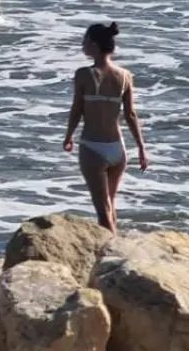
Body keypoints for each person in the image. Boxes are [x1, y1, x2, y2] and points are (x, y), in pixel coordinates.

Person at [62, 22, 148, 232]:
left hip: (93, 148)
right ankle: (115, 245)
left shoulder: (84, 74)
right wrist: (141, 148)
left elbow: (77, 109)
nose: (82, 45)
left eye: (84, 41)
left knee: (103, 212)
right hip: (118, 149)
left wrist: (68, 136)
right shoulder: (125, 76)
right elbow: (130, 115)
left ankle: (111, 250)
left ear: (93, 44)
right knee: (110, 204)